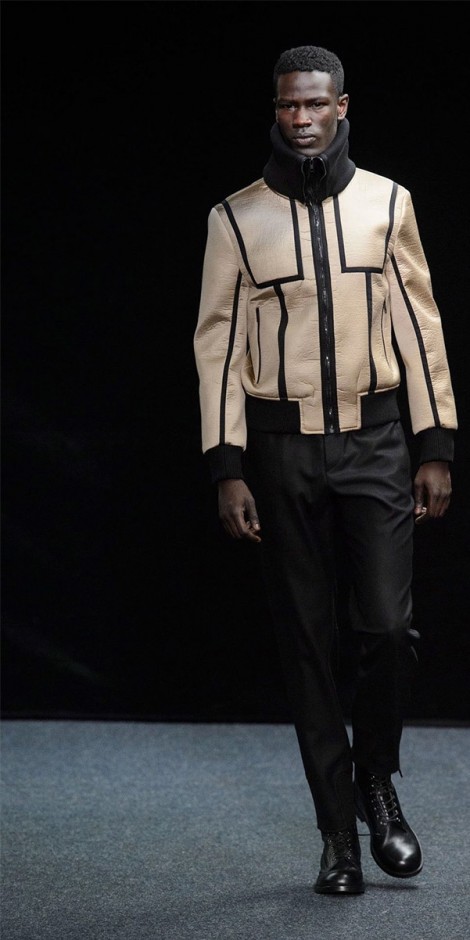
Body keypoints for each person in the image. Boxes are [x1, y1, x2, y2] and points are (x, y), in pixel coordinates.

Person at [193, 45, 457, 895]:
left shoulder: (388, 202)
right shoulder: (236, 218)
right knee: (306, 643)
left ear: (342, 106)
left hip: (376, 443)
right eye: (288, 105)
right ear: (276, 110)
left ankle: (376, 776)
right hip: (281, 454)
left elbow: (419, 324)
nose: (301, 118)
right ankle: (339, 836)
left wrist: (435, 442)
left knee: (386, 628)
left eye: (315, 104)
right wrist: (227, 464)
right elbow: (217, 345)